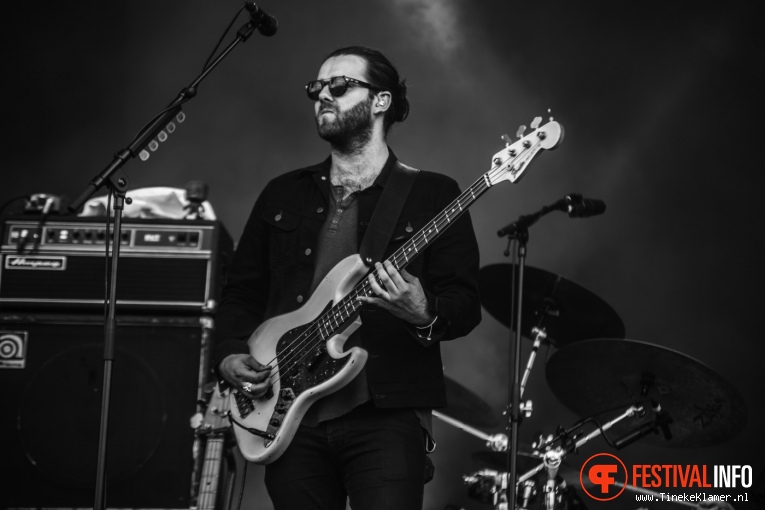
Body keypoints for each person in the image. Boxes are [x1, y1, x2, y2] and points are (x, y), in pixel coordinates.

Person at [213, 45, 481, 510]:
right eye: (317, 88)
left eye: (339, 86)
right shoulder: (284, 192)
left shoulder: (433, 194)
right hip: (289, 414)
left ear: (381, 101)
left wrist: (422, 311)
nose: (323, 96)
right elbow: (240, 292)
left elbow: (464, 302)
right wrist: (230, 355)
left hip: (387, 413)